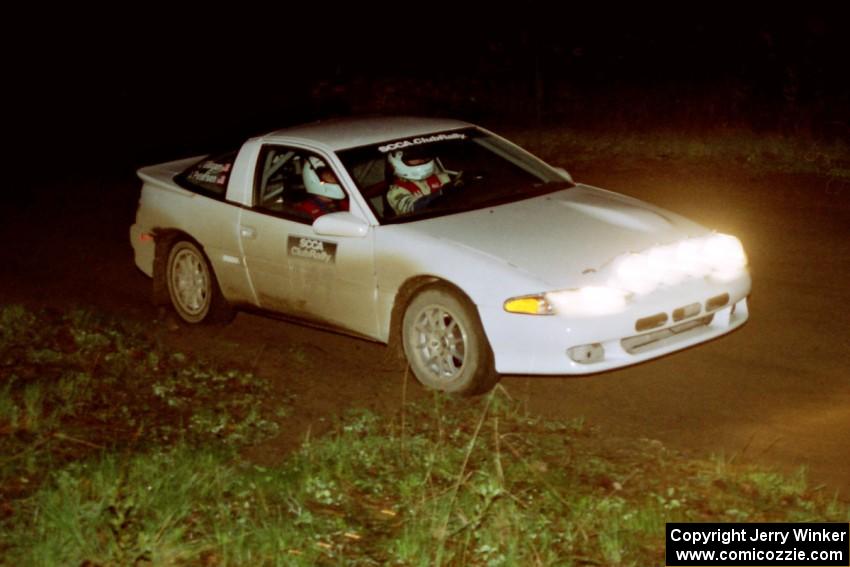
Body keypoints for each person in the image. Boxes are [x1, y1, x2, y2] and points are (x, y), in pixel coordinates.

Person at [386, 147, 451, 215]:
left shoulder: (442, 177)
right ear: (397, 163)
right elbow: (411, 208)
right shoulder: (396, 191)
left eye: (423, 156)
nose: (421, 160)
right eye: (413, 158)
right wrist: (441, 192)